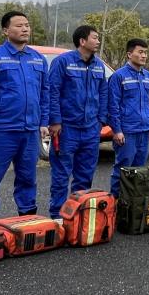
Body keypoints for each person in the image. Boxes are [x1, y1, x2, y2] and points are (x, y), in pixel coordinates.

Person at [0, 11, 51, 226]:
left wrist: (43, 122)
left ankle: (27, 219)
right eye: (19, 25)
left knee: (28, 177)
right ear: (6, 30)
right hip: (2, 130)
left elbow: (44, 93)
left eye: (27, 25)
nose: (25, 29)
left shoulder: (37, 58)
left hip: (30, 130)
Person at [48, 24, 107, 223]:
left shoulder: (98, 65)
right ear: (82, 41)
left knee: (85, 174)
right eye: (94, 38)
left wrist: (101, 120)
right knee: (61, 174)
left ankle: (78, 214)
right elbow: (53, 92)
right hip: (67, 129)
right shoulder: (63, 62)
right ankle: (57, 216)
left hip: (90, 129)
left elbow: (103, 93)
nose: (98, 41)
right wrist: (55, 121)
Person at [107, 38, 149, 196]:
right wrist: (117, 130)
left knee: (139, 170)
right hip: (127, 131)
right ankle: (116, 201)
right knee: (123, 169)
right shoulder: (118, 76)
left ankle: (133, 202)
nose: (144, 56)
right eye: (140, 52)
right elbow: (113, 106)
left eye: (145, 52)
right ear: (129, 54)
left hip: (145, 130)